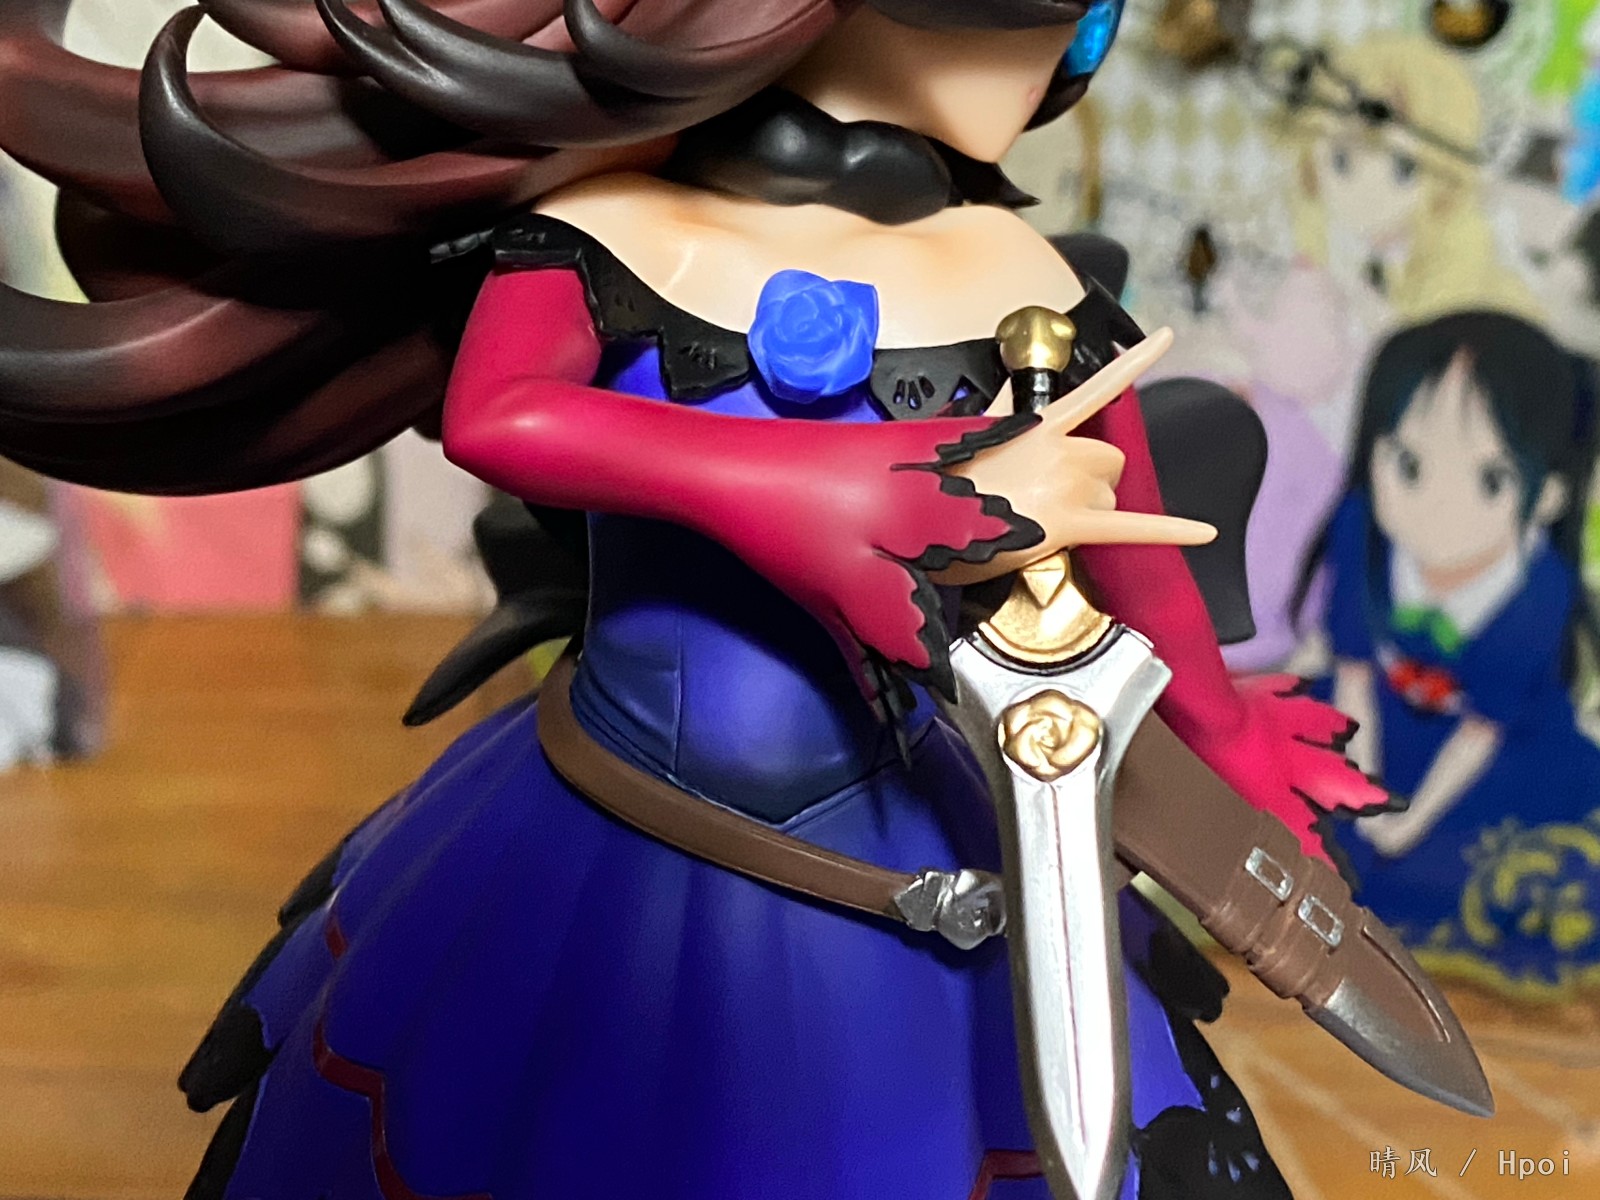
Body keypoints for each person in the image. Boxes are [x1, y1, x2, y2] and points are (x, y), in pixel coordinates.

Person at [0, 2, 1390, 1196]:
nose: (1073, 48)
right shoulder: (616, 230)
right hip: (623, 817)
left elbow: (1138, 546)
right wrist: (818, 487)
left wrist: (1225, 740)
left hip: (927, 822)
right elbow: (500, 415)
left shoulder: (1023, 278)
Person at [1307, 312, 1600, 999]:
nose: (1436, 508)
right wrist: (1368, 797)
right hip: (1372, 723)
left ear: (1548, 496)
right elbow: (1353, 676)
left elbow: (1480, 734)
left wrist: (1405, 825)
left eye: (1490, 479)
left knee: (1513, 874)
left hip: (1502, 753)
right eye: (1409, 466)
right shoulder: (1359, 529)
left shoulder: (1540, 592)